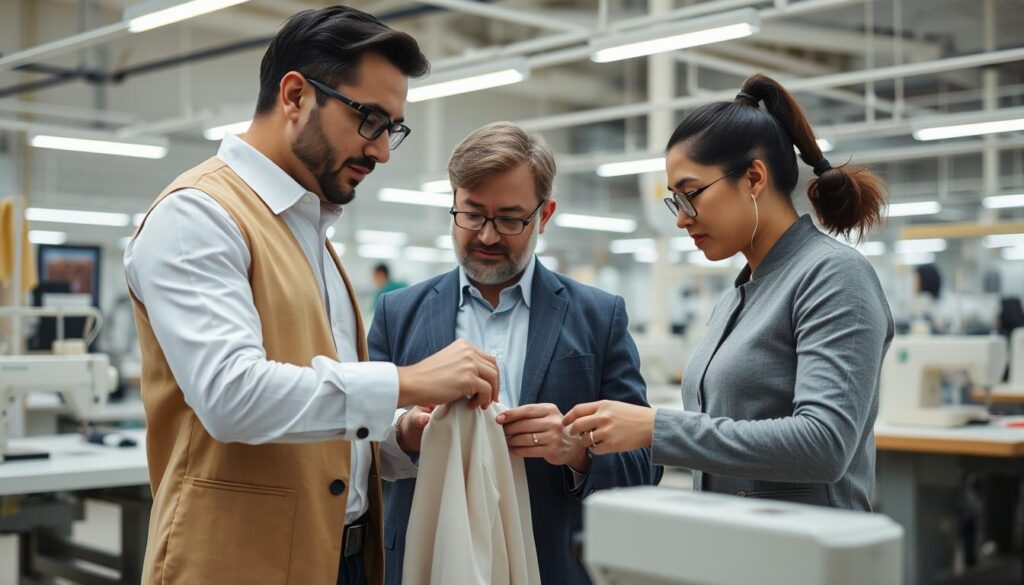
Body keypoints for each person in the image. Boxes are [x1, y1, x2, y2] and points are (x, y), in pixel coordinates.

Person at [124, 7, 500, 585]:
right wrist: (410, 380)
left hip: (339, 558)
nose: (382, 152)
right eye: (370, 120)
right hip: (233, 565)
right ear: (296, 95)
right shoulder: (199, 215)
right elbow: (232, 396)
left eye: (392, 128)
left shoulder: (311, 234)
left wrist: (400, 436)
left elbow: (321, 421)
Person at [563, 73, 893, 512]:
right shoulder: (738, 296)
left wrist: (655, 428)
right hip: (737, 544)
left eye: (691, 193)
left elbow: (824, 443)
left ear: (754, 178)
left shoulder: (834, 275)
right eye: (675, 201)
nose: (682, 219)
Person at [369, 122, 657, 584]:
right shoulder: (398, 312)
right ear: (454, 203)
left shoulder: (599, 318)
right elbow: (355, 445)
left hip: (552, 565)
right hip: (425, 563)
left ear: (545, 215)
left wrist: (574, 451)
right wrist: (406, 433)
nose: (485, 236)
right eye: (471, 214)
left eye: (509, 219)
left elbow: (646, 461)